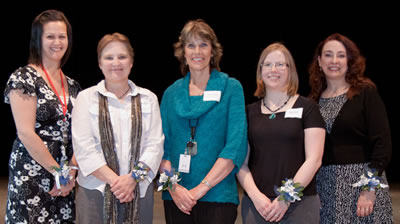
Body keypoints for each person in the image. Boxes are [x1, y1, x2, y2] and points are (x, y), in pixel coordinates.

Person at [158, 19, 247, 224]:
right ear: (183, 52)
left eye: (203, 44)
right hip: (176, 198)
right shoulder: (170, 94)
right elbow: (162, 148)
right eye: (191, 45)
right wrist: (175, 188)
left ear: (213, 51)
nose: (197, 51)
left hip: (218, 196)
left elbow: (235, 145)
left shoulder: (231, 88)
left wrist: (200, 190)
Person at [72, 32, 164, 224]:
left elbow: (155, 146)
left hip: (138, 190)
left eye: (122, 57)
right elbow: (84, 148)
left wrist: (132, 179)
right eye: (109, 57)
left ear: (131, 62)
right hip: (94, 191)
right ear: (99, 63)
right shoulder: (86, 98)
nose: (116, 62)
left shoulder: (149, 98)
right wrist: (118, 183)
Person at [3, 9, 80, 223]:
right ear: (38, 40)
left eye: (62, 36)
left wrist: (70, 172)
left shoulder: (73, 85)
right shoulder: (23, 77)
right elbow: (26, 133)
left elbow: (81, 135)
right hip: (32, 173)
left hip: (65, 177)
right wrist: (58, 172)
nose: (57, 42)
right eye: (50, 36)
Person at [309, 33, 393, 223]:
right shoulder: (313, 100)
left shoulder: (365, 92)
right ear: (320, 61)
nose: (334, 60)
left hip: (362, 185)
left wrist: (369, 188)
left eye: (341, 55)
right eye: (328, 55)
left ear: (350, 60)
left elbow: (382, 143)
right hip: (326, 187)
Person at [237, 43, 326, 223]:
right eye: (268, 64)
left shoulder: (308, 108)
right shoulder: (248, 112)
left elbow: (314, 160)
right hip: (257, 207)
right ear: (260, 70)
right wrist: (256, 197)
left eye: (280, 64)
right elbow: (240, 162)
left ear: (290, 70)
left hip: (300, 205)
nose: (273, 69)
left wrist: (286, 198)